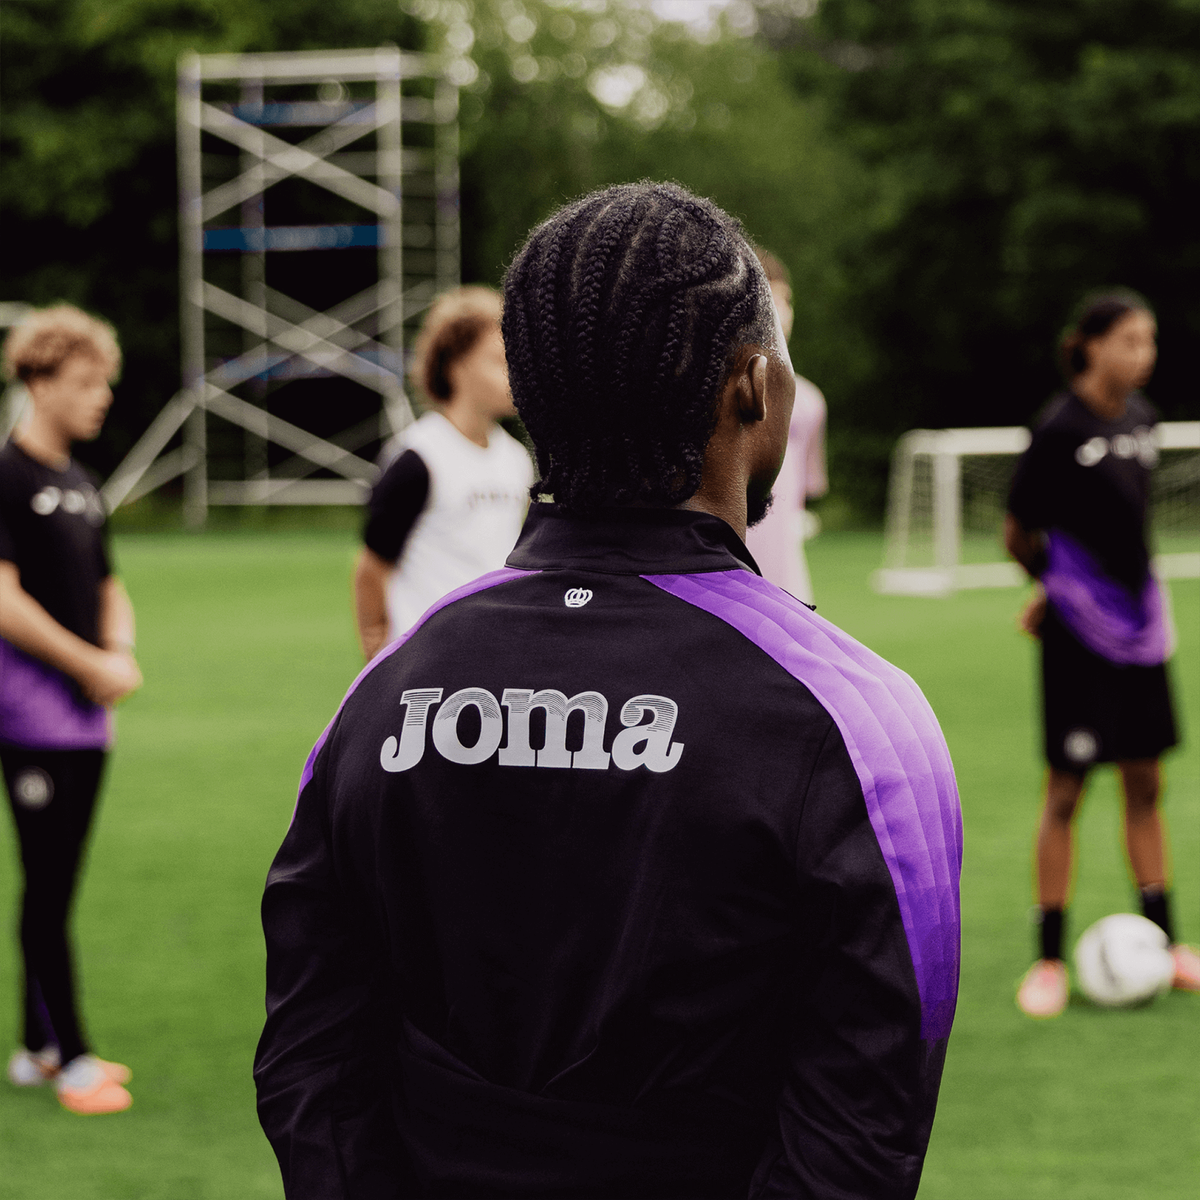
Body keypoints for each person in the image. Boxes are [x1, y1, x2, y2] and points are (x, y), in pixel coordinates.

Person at [255, 182, 962, 1199]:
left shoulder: (381, 696)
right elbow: (867, 1121)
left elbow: (310, 1064)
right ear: (754, 388)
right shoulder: (857, 719)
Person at [1006, 290, 1199, 1018]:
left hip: (1142, 628)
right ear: (1088, 345)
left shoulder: (1146, 422)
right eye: (1129, 340)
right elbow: (1017, 532)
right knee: (1067, 790)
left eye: (1149, 341)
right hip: (1078, 636)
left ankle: (1166, 941)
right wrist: (1052, 588)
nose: (1142, 354)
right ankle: (1049, 960)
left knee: (1146, 783)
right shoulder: (1058, 429)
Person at [0, 304, 142, 1114]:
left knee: (60, 881)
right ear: (37, 379)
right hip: (30, 716)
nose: (101, 398)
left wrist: (118, 652)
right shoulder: (7, 475)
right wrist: (89, 662)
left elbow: (108, 585)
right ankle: (74, 1057)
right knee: (47, 887)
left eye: (105, 384)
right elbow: (4, 598)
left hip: (88, 715)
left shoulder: (82, 485)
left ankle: (33, 1049)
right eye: (85, 383)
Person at [353, 287, 533, 661]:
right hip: (426, 660)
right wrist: (376, 652)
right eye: (498, 360)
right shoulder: (419, 458)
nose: (514, 374)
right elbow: (372, 567)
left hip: (495, 655)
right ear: (457, 363)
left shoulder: (516, 459)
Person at [744, 248, 828, 604]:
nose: (783, 312)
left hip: (790, 583)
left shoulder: (809, 401)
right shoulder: (711, 397)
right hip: (731, 578)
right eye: (770, 299)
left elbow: (807, 494)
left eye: (786, 300)